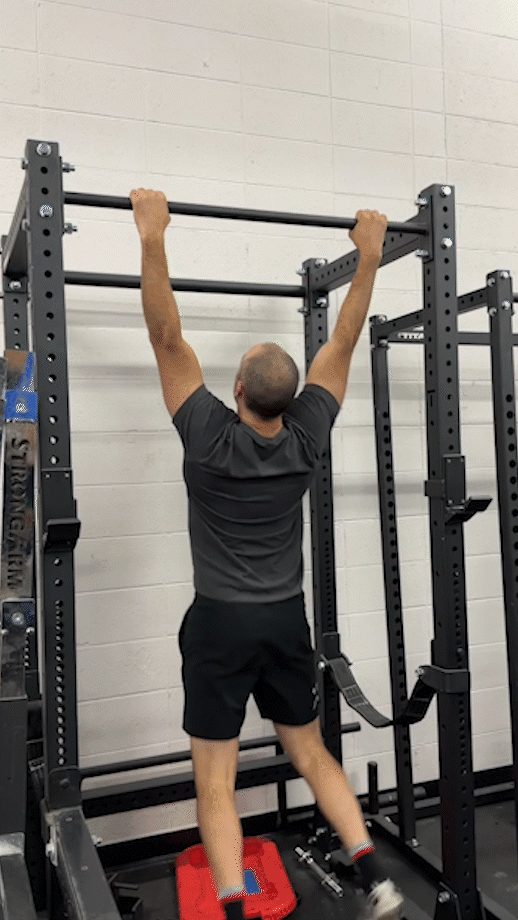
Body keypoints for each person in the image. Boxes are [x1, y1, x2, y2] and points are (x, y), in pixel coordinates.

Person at [130, 188, 403, 920]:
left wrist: (152, 236)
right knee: (310, 751)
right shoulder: (307, 436)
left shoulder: (209, 437)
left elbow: (166, 339)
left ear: (237, 389)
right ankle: (375, 875)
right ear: (289, 397)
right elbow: (341, 342)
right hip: (285, 620)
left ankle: (233, 910)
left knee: (214, 779)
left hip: (220, 624)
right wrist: (370, 258)